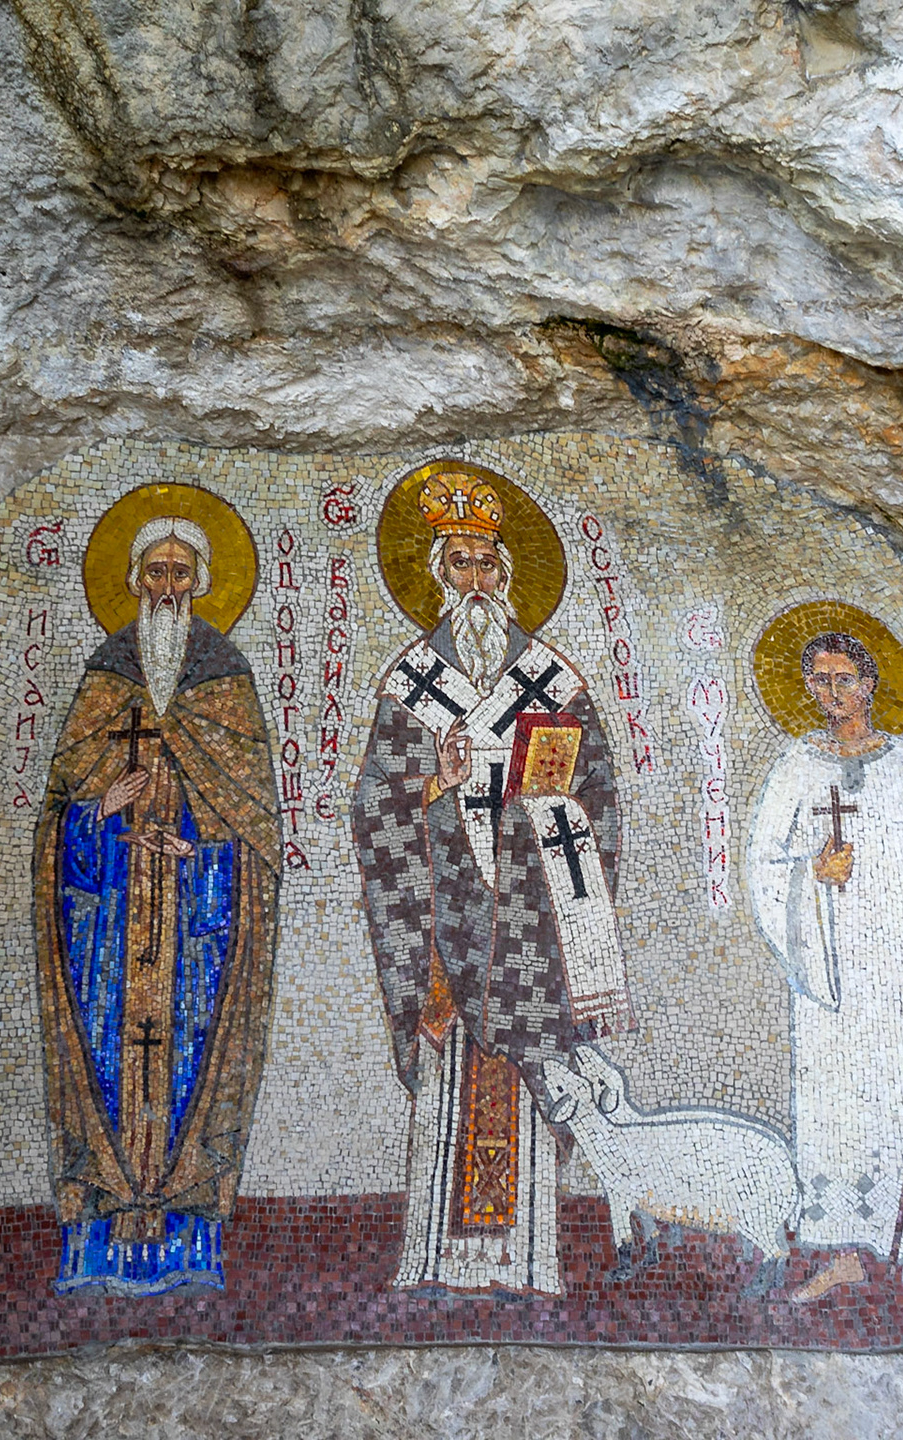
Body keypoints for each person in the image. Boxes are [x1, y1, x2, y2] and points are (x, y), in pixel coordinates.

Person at [351, 470, 632, 1294]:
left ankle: (527, 1261)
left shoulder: (552, 681)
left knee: (531, 1062)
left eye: (487, 565)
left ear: (506, 577)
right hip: (445, 926)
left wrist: (552, 815)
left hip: (531, 926)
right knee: (455, 1073)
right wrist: (432, 790)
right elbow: (375, 813)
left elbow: (601, 799)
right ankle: (441, 1259)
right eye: (461, 563)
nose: (475, 580)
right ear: (439, 574)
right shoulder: (410, 687)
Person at [33, 516, 280, 1295]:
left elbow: (256, 832)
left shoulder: (224, 677)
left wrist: (203, 859)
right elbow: (54, 824)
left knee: (191, 1066)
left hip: (198, 929)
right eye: (155, 573)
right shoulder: (105, 678)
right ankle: (97, 1233)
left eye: (182, 574)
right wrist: (99, 809)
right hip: (107, 926)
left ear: (201, 584)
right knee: (107, 1056)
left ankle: (188, 1235)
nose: (168, 588)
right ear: (134, 581)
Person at [744, 631, 903, 1315]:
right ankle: (843, 1253)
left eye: (845, 678)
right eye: (820, 680)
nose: (834, 693)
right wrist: (811, 875)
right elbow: (764, 872)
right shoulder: (794, 771)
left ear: (871, 683)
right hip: (833, 972)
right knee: (839, 1100)